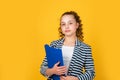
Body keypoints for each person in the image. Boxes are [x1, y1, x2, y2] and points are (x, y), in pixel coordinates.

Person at [40, 11, 95, 80]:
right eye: (63, 24)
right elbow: (42, 69)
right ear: (61, 27)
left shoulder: (85, 48)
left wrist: (76, 79)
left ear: (77, 25)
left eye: (70, 23)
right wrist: (52, 71)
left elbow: (91, 72)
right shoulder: (54, 45)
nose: (66, 26)